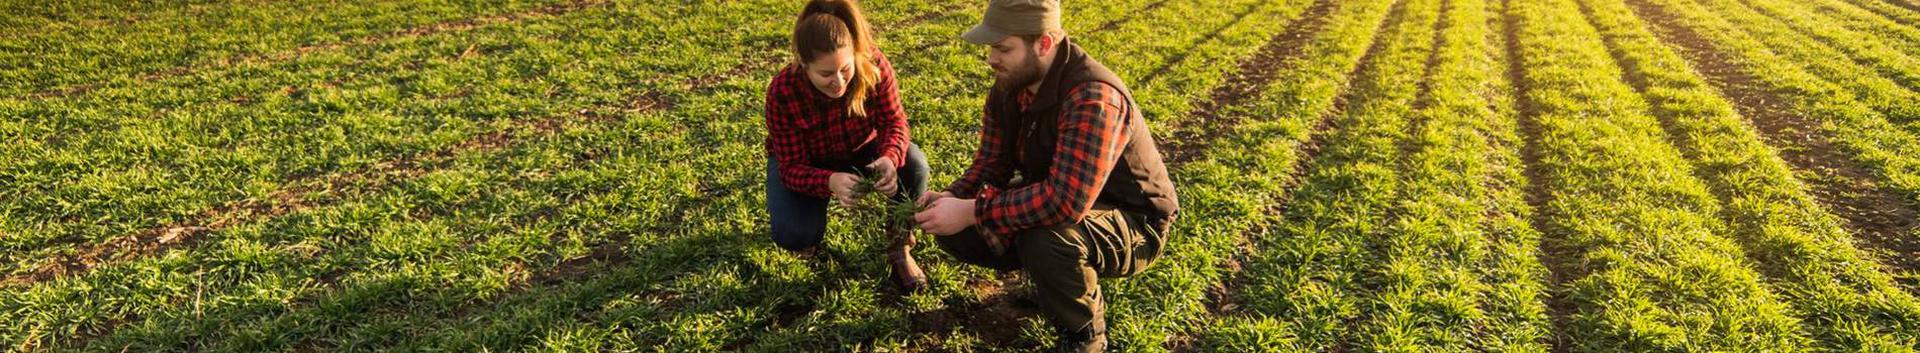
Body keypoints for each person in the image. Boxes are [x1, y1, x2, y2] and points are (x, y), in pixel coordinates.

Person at [912, 0, 1180, 351]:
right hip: (1066, 199)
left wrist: (972, 210)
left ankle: (1084, 335)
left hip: (1134, 221)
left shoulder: (1093, 97)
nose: (992, 58)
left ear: (1044, 44)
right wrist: (952, 196)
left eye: (1003, 48)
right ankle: (1050, 281)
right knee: (960, 230)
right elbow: (991, 164)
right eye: (991, 46)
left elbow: (1063, 203)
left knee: (1047, 238)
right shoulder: (1009, 86)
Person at [764, 0, 928, 292]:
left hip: (861, 148)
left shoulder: (874, 65)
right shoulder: (783, 91)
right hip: (809, 163)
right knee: (793, 233)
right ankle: (808, 240)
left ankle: (900, 246)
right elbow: (789, 168)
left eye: (845, 69)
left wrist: (890, 157)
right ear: (803, 64)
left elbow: (895, 123)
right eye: (825, 74)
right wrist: (829, 181)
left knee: (913, 163)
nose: (838, 82)